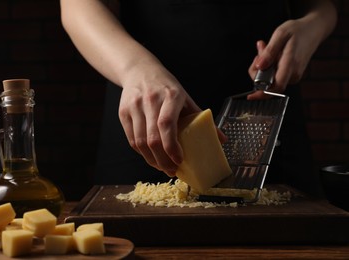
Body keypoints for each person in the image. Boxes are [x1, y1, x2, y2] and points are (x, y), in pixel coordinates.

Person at [60, 0, 337, 196]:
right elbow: (78, 6)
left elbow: (320, 7)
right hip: (150, 110)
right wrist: (136, 69)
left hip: (266, 114)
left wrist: (311, 27)